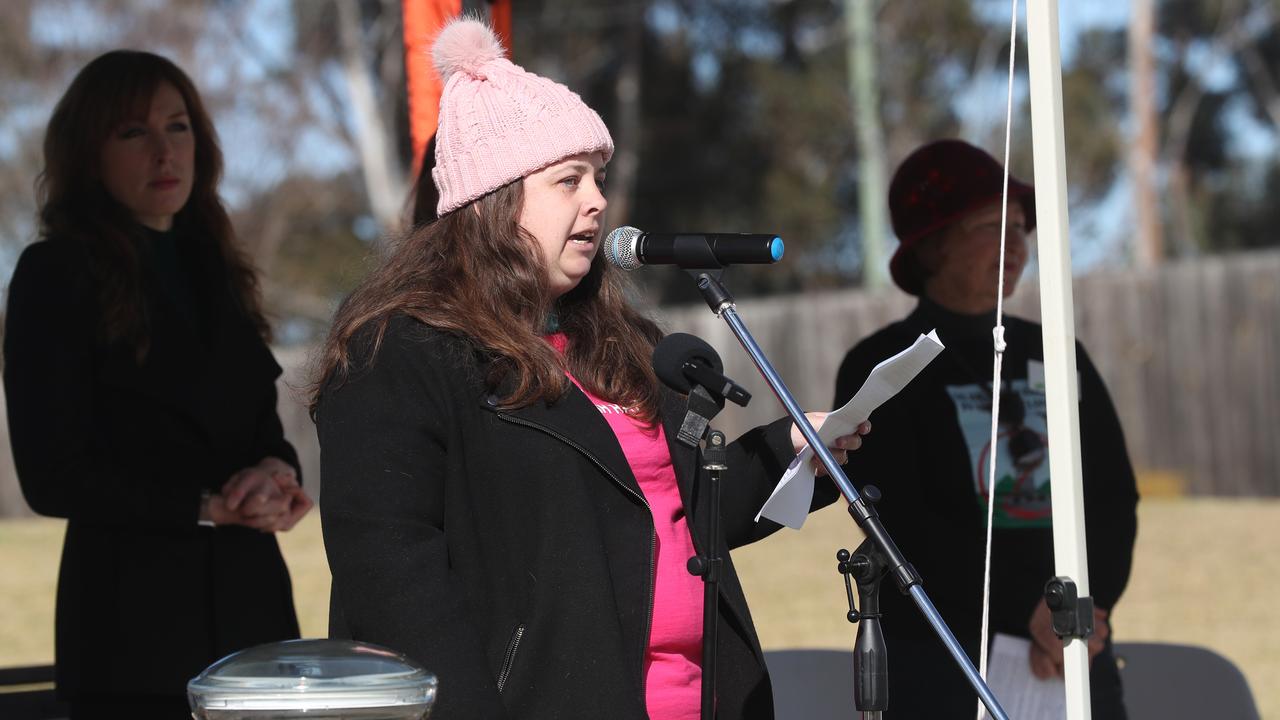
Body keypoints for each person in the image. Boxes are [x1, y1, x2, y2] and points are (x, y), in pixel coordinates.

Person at [312, 18, 866, 720]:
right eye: (568, 180)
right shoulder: (399, 351)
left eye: (598, 178)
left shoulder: (620, 342)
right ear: (493, 200)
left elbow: (674, 516)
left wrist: (789, 451)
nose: (597, 200)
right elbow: (394, 580)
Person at [3, 50, 312, 717]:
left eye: (178, 127)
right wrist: (206, 505)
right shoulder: (53, 274)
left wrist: (275, 475)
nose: (164, 151)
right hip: (132, 642)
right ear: (88, 153)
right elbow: (51, 477)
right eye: (132, 132)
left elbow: (261, 430)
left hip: (253, 623)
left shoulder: (217, 269)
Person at [832, 139, 1139, 718]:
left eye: (1020, 227)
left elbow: (1112, 496)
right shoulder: (887, 363)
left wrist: (1084, 610)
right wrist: (1027, 607)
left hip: (1073, 645)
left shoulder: (1055, 351)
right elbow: (898, 520)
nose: (1015, 245)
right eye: (987, 226)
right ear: (932, 245)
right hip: (943, 660)